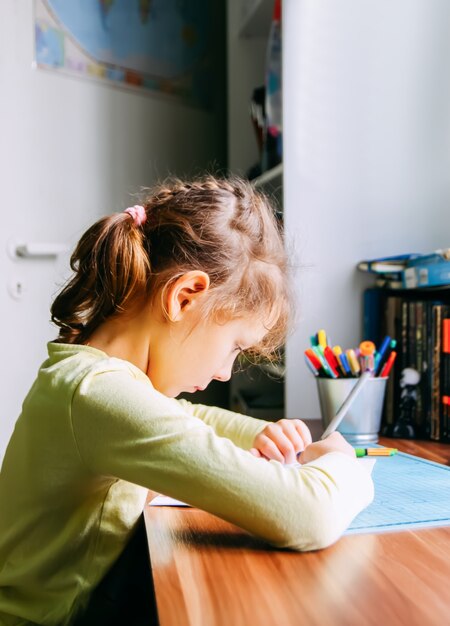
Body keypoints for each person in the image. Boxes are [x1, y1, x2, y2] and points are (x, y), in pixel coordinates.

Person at [0, 175, 374, 626]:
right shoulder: (99, 394)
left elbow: (186, 416)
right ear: (184, 296)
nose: (224, 371)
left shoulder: (94, 377)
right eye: (234, 346)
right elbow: (307, 514)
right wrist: (342, 461)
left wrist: (266, 435)